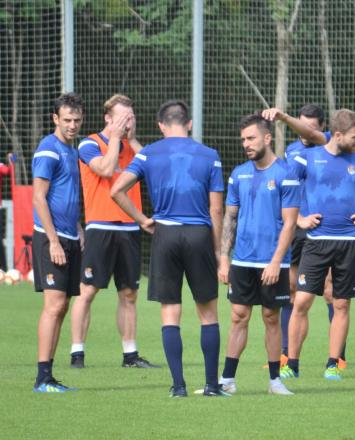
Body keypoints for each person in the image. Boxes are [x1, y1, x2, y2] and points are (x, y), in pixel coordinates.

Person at [110, 100, 226, 397]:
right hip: (199, 234)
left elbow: (116, 190)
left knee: (170, 313)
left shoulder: (148, 154)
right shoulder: (210, 156)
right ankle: (212, 385)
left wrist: (142, 220)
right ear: (189, 123)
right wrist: (217, 251)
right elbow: (216, 210)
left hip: (165, 234)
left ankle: (178, 387)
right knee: (208, 314)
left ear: (161, 125)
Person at [280, 109, 355, 381]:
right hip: (316, 242)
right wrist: (300, 219)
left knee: (341, 304)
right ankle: (291, 363)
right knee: (302, 300)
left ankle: (333, 363)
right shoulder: (307, 158)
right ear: (337, 135)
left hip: (349, 243)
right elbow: (284, 189)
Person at [70, 94, 157, 369]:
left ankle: (130, 355)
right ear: (108, 118)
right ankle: (77, 353)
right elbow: (106, 169)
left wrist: (130, 139)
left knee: (129, 293)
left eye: (130, 117)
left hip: (130, 227)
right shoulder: (90, 144)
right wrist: (118, 138)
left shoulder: (133, 147)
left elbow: (155, 169)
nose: (127, 122)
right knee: (88, 291)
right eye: (122, 117)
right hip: (101, 227)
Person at [217, 113, 300, 396]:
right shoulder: (238, 174)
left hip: (272, 261)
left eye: (251, 138)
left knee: (271, 317)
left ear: (267, 138)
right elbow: (230, 217)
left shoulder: (286, 174)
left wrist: (277, 261)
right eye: (243, 140)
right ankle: (227, 380)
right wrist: (224, 258)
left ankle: (275, 381)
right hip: (241, 260)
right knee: (239, 316)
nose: (246, 144)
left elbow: (290, 223)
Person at [261, 105, 343, 367]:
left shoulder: (331, 146)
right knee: (292, 290)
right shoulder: (292, 152)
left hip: (326, 229)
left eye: (312, 126)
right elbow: (288, 191)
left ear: (322, 128)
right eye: (302, 125)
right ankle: (286, 354)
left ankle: (338, 357)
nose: (306, 131)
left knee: (331, 292)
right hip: (298, 229)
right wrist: (297, 219)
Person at [31, 93, 84, 392]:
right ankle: (42, 378)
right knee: (53, 306)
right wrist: (52, 241)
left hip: (69, 236)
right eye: (67, 120)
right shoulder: (48, 149)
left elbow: (66, 197)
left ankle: (48, 375)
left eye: (77, 120)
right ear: (55, 119)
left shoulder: (72, 152)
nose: (72, 125)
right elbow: (39, 198)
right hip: (51, 238)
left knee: (62, 306)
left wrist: (78, 228)